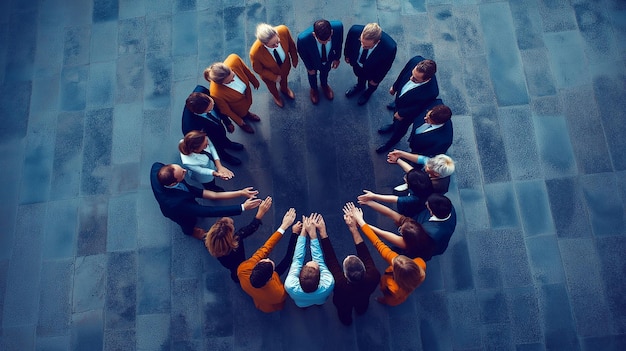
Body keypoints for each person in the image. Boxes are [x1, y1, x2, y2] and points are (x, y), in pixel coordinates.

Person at [149, 162, 261, 239]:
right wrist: (242, 207)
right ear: (173, 183)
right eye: (182, 173)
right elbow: (210, 211)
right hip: (175, 209)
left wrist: (240, 193)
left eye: (181, 168)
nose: (185, 171)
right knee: (186, 222)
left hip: (185, 194)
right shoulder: (177, 204)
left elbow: (213, 195)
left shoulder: (156, 168)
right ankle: (190, 231)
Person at [343, 202, 426, 306]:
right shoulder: (420, 264)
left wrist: (360, 221)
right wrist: (360, 222)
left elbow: (378, 243)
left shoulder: (392, 287)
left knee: (388, 300)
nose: (394, 257)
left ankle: (383, 300)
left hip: (393, 298)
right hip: (401, 295)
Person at [320, 211, 380, 325]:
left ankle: (346, 320)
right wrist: (353, 228)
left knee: (343, 311)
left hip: (343, 301)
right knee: (362, 304)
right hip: (363, 296)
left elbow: (331, 260)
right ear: (364, 268)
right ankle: (361, 310)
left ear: (345, 275)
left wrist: (322, 233)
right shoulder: (374, 275)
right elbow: (365, 254)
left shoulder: (339, 284)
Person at [237, 208, 297, 313]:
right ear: (271, 278)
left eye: (265, 260)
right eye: (270, 262)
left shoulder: (242, 270)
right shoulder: (279, 294)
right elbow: (267, 248)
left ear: (256, 266)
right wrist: (293, 233)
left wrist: (283, 226)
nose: (267, 258)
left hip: (261, 301)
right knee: (287, 261)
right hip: (271, 300)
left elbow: (267, 247)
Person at [376, 56, 439, 153]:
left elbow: (418, 107)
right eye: (412, 74)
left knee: (400, 130)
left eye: (415, 79)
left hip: (406, 115)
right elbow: (403, 73)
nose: (410, 78)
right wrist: (395, 86)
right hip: (400, 100)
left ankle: (390, 143)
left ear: (427, 79)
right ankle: (393, 125)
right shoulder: (415, 60)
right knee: (394, 115)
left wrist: (402, 113)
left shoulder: (432, 92)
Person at [355, 197, 435, 261]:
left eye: (400, 231)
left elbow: (381, 233)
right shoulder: (415, 228)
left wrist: (360, 222)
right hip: (427, 251)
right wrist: (370, 202)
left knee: (393, 251)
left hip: (413, 256)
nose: (399, 228)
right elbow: (390, 213)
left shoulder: (405, 244)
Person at [182, 86, 244, 165]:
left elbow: (219, 107)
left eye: (212, 102)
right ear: (200, 112)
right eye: (209, 110)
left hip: (217, 125)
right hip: (209, 137)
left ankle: (228, 144)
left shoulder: (202, 91)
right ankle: (224, 156)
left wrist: (227, 122)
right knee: (217, 146)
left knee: (222, 135)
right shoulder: (190, 127)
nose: (213, 105)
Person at [284, 213, 334, 308]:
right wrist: (313, 234)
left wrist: (304, 231)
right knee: (320, 303)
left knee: (302, 305)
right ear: (320, 278)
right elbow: (319, 259)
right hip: (320, 299)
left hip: (301, 303)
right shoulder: (328, 283)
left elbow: (297, 260)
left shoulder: (290, 285)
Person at [205, 54, 261, 134]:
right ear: (220, 83)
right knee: (242, 114)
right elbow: (226, 110)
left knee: (247, 108)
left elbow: (245, 70)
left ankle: (247, 113)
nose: (234, 80)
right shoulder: (216, 93)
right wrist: (239, 121)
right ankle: (244, 120)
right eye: (229, 81)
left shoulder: (234, 60)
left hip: (246, 95)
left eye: (233, 75)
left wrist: (254, 80)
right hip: (237, 107)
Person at [343, 23, 397, 105]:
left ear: (377, 42)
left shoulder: (389, 48)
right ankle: (360, 86)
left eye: (367, 46)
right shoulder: (354, 31)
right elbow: (348, 44)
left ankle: (368, 93)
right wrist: (347, 55)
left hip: (373, 70)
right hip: (357, 64)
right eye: (361, 42)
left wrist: (376, 80)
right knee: (360, 76)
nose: (363, 46)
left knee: (372, 85)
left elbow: (385, 66)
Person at [249, 23, 298, 108]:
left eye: (278, 41)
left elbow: (291, 45)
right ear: (264, 43)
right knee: (272, 87)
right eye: (272, 45)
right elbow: (258, 69)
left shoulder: (283, 30)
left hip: (285, 67)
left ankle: (284, 89)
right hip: (269, 75)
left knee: (284, 79)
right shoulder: (255, 53)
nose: (277, 45)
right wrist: (273, 77)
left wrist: (294, 59)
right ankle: (276, 97)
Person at [296, 19, 344, 104]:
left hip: (328, 59)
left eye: (328, 40)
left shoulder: (338, 28)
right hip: (313, 60)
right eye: (322, 41)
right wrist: (309, 68)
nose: (325, 43)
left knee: (325, 72)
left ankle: (324, 85)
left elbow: (339, 43)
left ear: (332, 32)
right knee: (312, 75)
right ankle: (314, 89)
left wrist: (337, 58)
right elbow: (303, 54)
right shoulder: (303, 39)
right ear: (314, 35)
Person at [358, 168, 433, 218]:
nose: (405, 177)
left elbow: (395, 199)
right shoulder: (426, 183)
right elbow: (411, 170)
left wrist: (373, 196)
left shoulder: (414, 199)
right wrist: (398, 159)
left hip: (410, 210)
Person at [387, 151, 455, 194]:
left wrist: (398, 160)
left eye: (428, 167)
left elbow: (414, 174)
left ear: (436, 174)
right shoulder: (437, 169)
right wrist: (401, 154)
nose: (426, 165)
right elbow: (423, 159)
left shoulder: (435, 185)